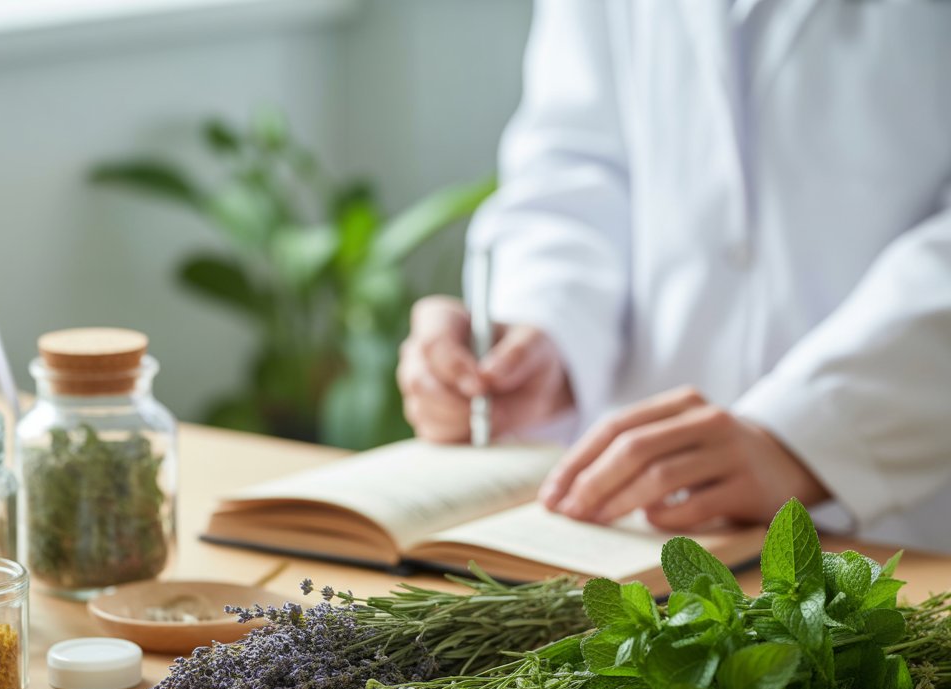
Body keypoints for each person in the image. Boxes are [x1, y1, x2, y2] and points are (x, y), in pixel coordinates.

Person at [397, 1, 951, 549]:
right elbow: (577, 159)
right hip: (632, 524)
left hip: (899, 508)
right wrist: (541, 332)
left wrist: (808, 435)